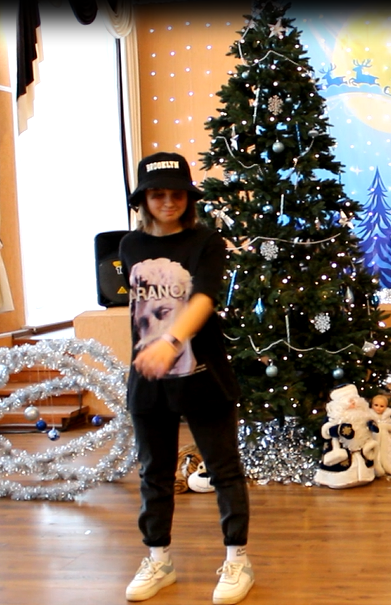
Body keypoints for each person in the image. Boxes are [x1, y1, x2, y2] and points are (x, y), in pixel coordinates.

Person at [119, 152, 255, 604]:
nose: (168, 202)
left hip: (203, 375)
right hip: (148, 380)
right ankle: (158, 559)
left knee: (224, 470)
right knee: (154, 473)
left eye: (177, 193)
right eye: (157, 194)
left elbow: (203, 299)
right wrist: (153, 350)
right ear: (144, 200)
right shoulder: (129, 247)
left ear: (189, 198)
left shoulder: (206, 242)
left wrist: (171, 342)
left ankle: (237, 560)